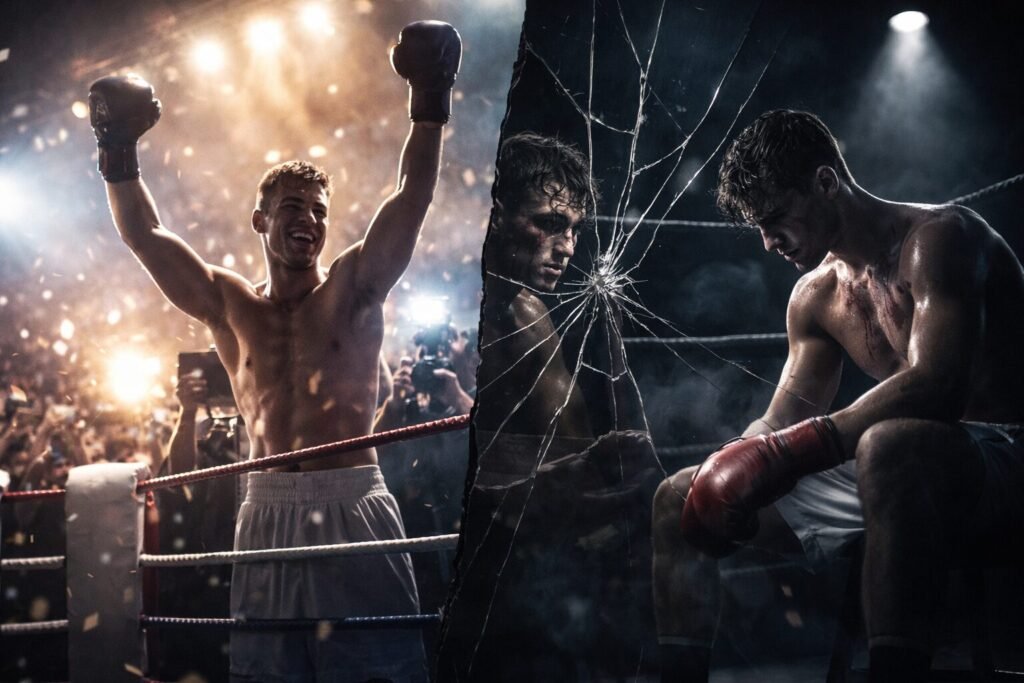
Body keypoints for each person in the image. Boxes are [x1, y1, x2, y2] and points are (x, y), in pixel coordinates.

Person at [89, 20, 461, 681]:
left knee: (378, 671)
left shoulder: (354, 284)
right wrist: (118, 151)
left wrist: (428, 101)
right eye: (293, 206)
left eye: (319, 210)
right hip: (263, 507)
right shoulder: (230, 303)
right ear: (260, 220)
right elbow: (145, 235)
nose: (309, 221)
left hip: (352, 499)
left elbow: (412, 195)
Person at [652, 109, 1024, 683]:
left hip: (1003, 457)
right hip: (896, 466)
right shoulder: (814, 296)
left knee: (887, 446)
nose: (768, 241)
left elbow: (939, 386)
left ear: (826, 182)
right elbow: (785, 418)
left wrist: (789, 451)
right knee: (678, 495)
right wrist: (736, 461)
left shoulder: (940, 239)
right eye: (757, 226)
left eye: (775, 217)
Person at [438, 132, 658, 681]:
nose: (567, 247)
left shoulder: (530, 307)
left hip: (556, 548)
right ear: (495, 214)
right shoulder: (462, 311)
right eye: (550, 223)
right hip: (492, 567)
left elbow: (574, 438)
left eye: (574, 230)